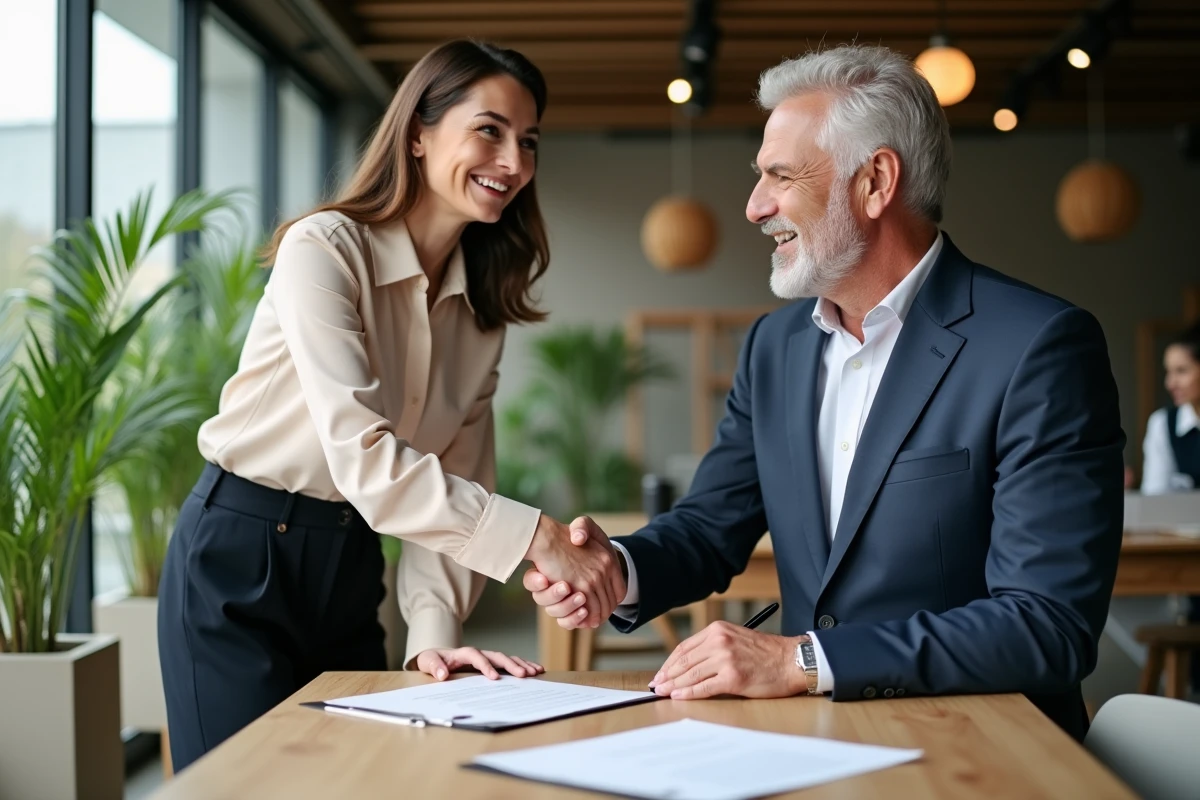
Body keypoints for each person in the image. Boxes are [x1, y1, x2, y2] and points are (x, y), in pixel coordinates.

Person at [526, 43, 1124, 741]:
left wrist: (803, 659)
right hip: (811, 745)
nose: (754, 206)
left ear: (875, 182)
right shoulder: (773, 348)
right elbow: (709, 530)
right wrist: (616, 569)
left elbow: (1048, 626)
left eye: (780, 176)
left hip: (985, 744)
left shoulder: (1040, 345)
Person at [158, 40, 625, 772]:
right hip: (237, 559)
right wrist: (540, 539)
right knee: (241, 787)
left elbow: (460, 472)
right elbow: (366, 458)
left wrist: (432, 632)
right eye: (490, 130)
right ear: (417, 132)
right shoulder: (323, 250)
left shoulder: (482, 315)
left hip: (349, 566)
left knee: (356, 779)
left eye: (528, 141)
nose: (513, 161)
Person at [1139, 321, 1200, 693]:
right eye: (1168, 371)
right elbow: (1155, 501)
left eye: (1181, 370)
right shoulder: (1164, 425)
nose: (1170, 382)